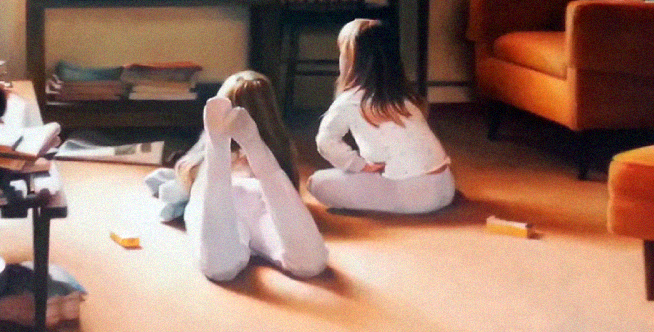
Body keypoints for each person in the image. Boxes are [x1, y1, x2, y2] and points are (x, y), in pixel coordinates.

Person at [145, 71, 328, 282]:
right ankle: (250, 146)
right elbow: (290, 188)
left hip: (227, 194)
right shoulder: (281, 150)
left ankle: (218, 149)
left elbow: (183, 179)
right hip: (260, 195)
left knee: (220, 268)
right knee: (311, 264)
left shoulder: (197, 164)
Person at [306, 19, 455, 215]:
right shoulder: (405, 97)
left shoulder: (349, 101)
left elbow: (326, 142)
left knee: (316, 182)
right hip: (445, 188)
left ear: (350, 61)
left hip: (411, 195)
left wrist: (359, 166)